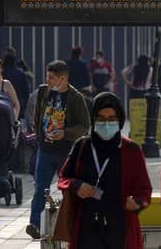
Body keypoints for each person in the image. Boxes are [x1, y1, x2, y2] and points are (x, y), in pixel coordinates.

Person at [57, 92, 152, 248]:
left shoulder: (131, 150)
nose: (106, 123)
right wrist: (77, 185)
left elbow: (144, 189)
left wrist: (138, 202)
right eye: (101, 118)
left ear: (120, 120)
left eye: (112, 119)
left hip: (120, 228)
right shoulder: (82, 146)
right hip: (86, 228)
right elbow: (63, 178)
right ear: (93, 119)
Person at [26, 60, 91, 239]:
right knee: (40, 189)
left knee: (68, 190)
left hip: (67, 152)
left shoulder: (76, 97)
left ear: (63, 79)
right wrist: (40, 138)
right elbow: (37, 116)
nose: (48, 80)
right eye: (47, 76)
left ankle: (70, 227)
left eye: (51, 78)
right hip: (45, 150)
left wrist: (65, 133)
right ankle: (35, 225)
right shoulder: (43, 92)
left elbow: (85, 125)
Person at [2, 47, 31, 120]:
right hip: (18, 104)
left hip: (2, 104)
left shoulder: (1, 73)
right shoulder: (20, 73)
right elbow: (26, 92)